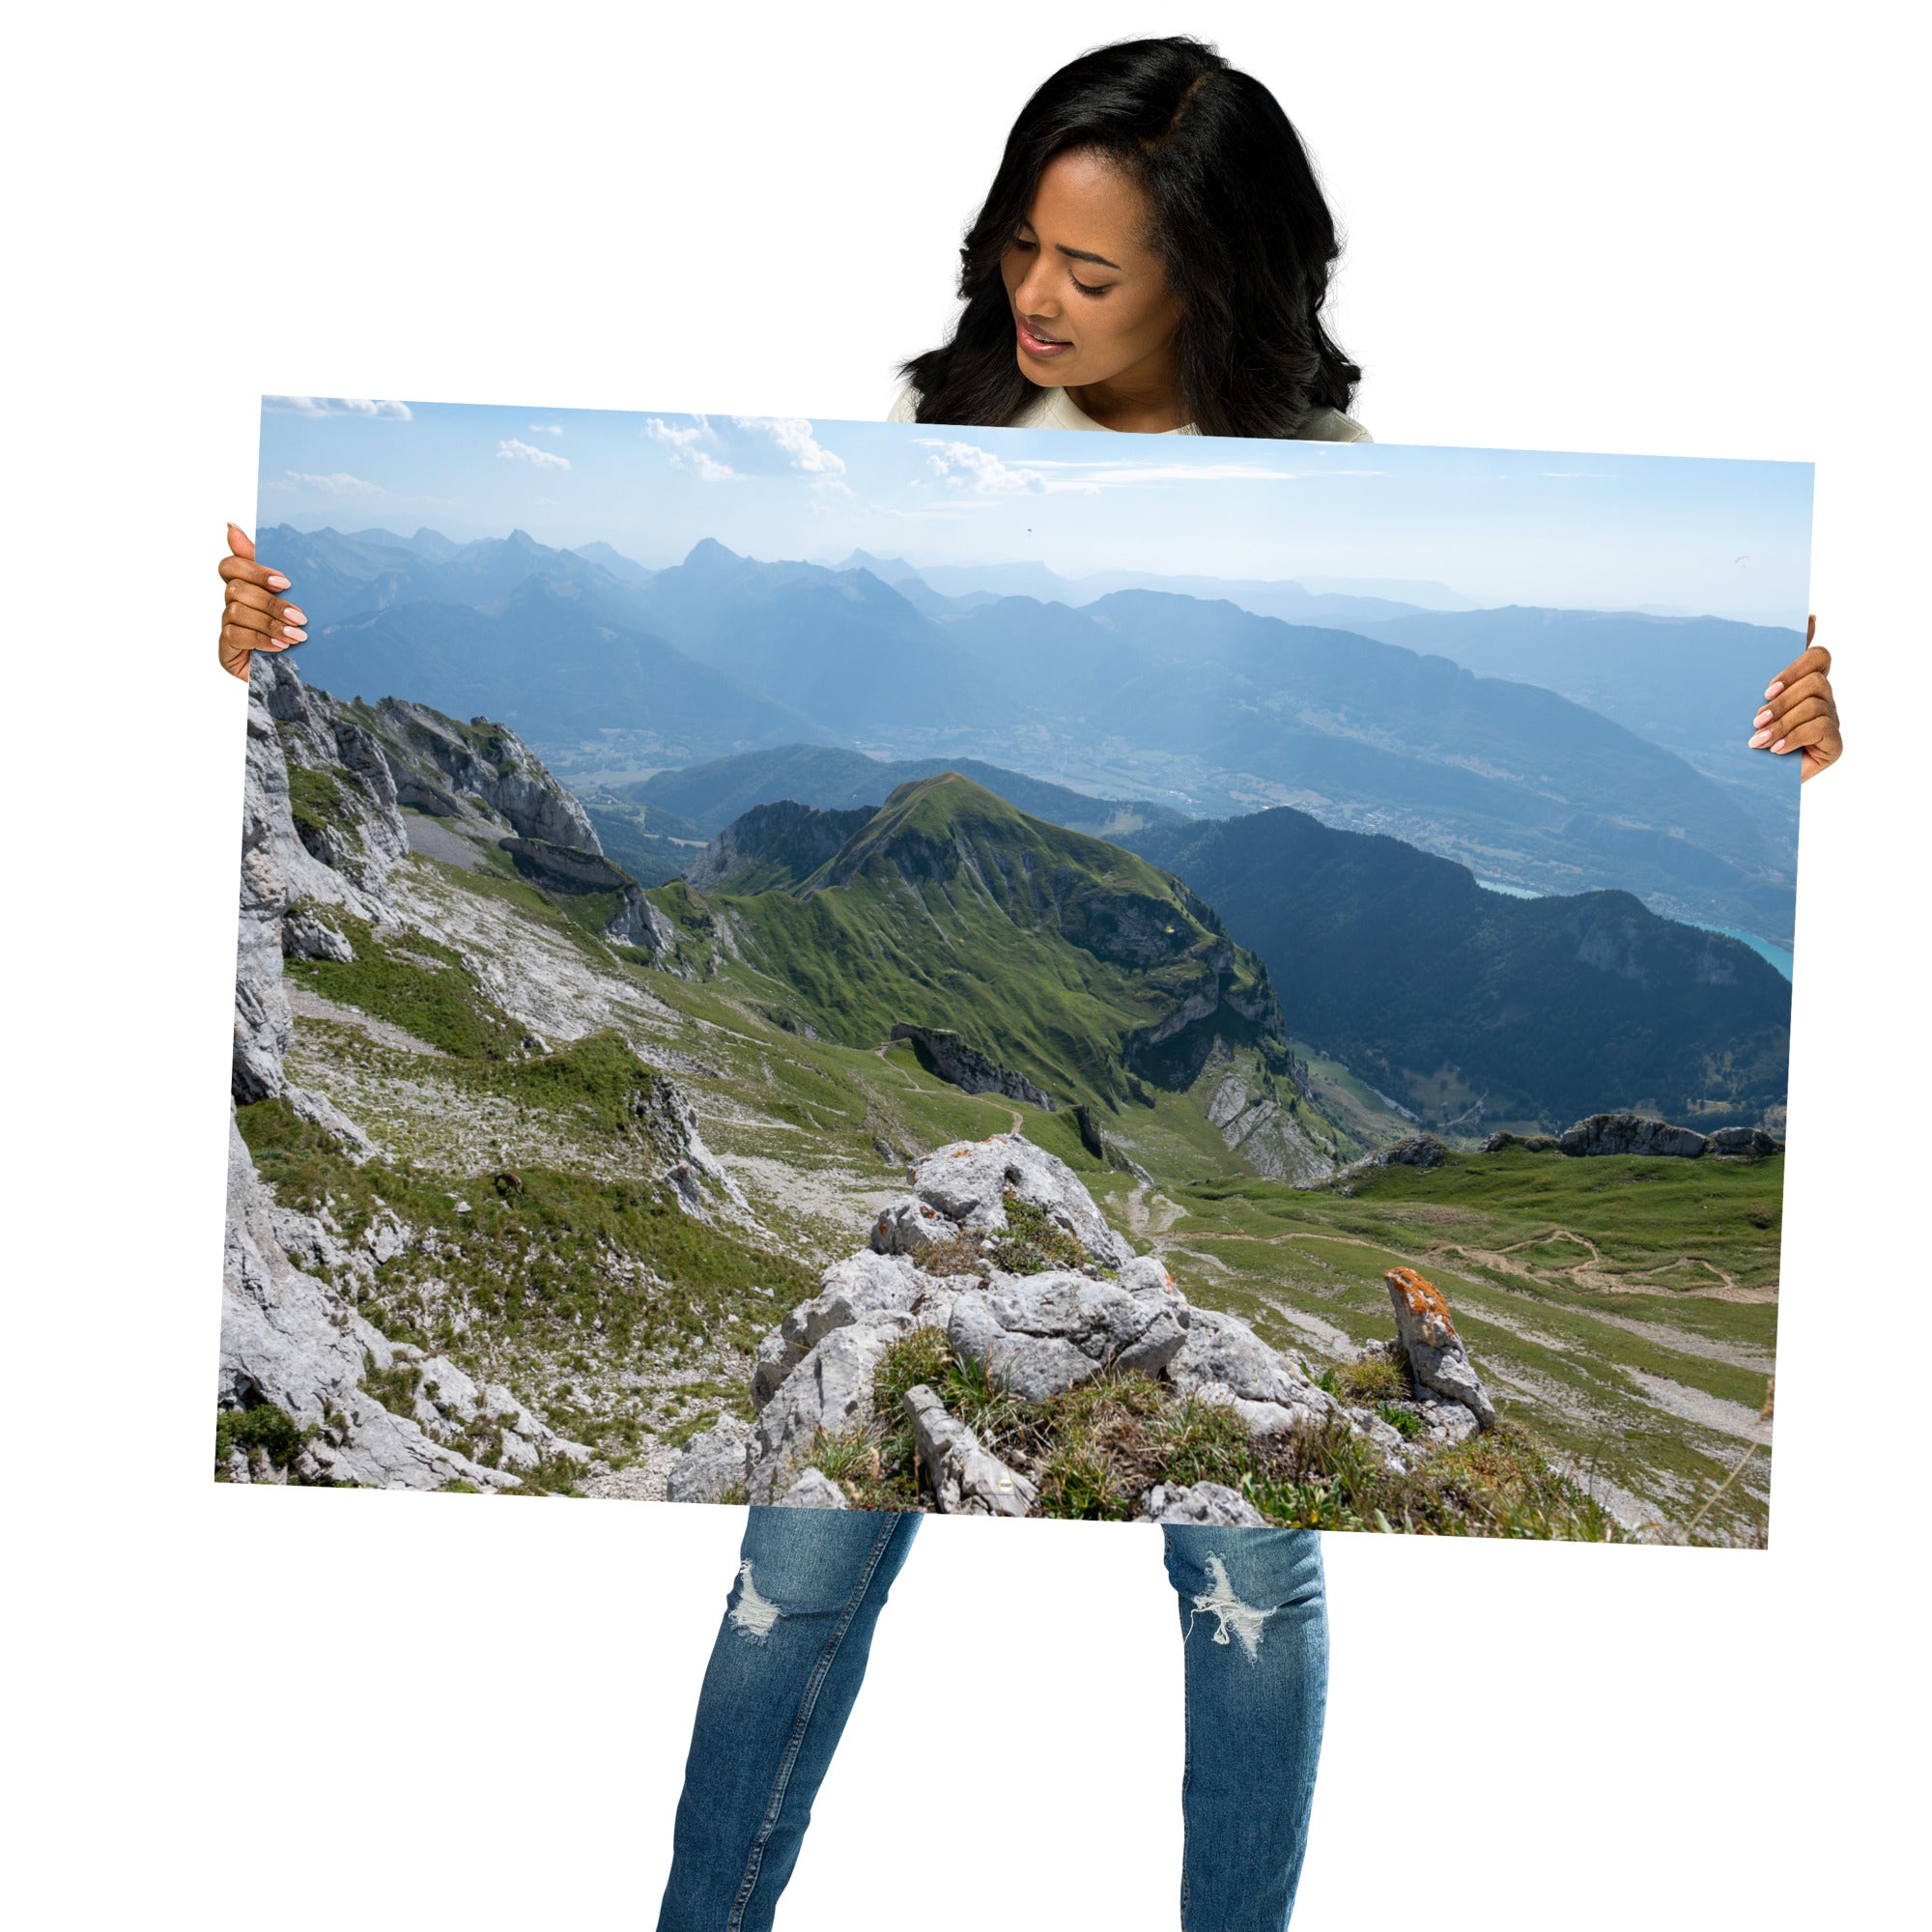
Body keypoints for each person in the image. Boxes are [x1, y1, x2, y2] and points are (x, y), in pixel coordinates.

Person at [213, 37, 1842, 1929]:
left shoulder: (1335, 475)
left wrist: (1809, 745)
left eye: (1093, 272)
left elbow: (1797, 749)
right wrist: (236, 640)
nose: (1035, 302)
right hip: (945, 1260)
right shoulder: (938, 428)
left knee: (1250, 1573)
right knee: (810, 1550)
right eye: (1018, 252)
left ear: (1217, 280)